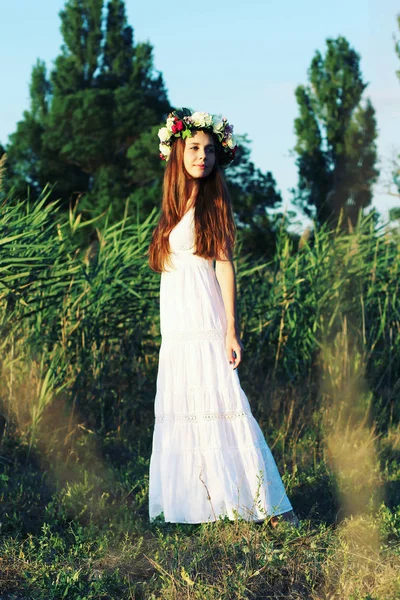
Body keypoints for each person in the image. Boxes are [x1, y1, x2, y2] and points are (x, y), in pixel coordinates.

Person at [148, 108, 297, 527]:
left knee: (222, 402)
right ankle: (201, 502)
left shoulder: (213, 199)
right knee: (185, 404)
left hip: (203, 317)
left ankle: (261, 504)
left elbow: (224, 263)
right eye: (194, 148)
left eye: (209, 150)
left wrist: (231, 328)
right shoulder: (174, 204)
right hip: (176, 325)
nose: (202, 156)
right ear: (177, 151)